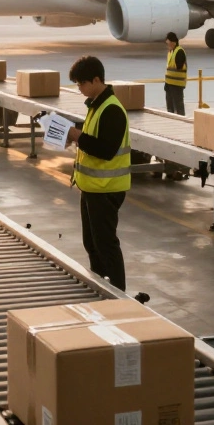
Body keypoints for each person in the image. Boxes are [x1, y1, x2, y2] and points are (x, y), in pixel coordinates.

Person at [65, 56, 131, 291]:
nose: (79, 89)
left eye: (81, 84)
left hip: (107, 189)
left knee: (105, 245)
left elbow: (105, 150)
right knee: (92, 243)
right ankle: (100, 286)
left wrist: (76, 135)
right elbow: (91, 142)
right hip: (92, 188)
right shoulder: (96, 106)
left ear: (95, 80)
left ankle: (118, 293)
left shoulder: (111, 109)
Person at [164, 31, 187, 115]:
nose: (167, 44)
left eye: (168, 42)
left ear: (173, 42)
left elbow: (179, 66)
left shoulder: (179, 52)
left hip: (177, 85)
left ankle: (181, 120)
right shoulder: (170, 52)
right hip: (169, 84)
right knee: (170, 107)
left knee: (178, 106)